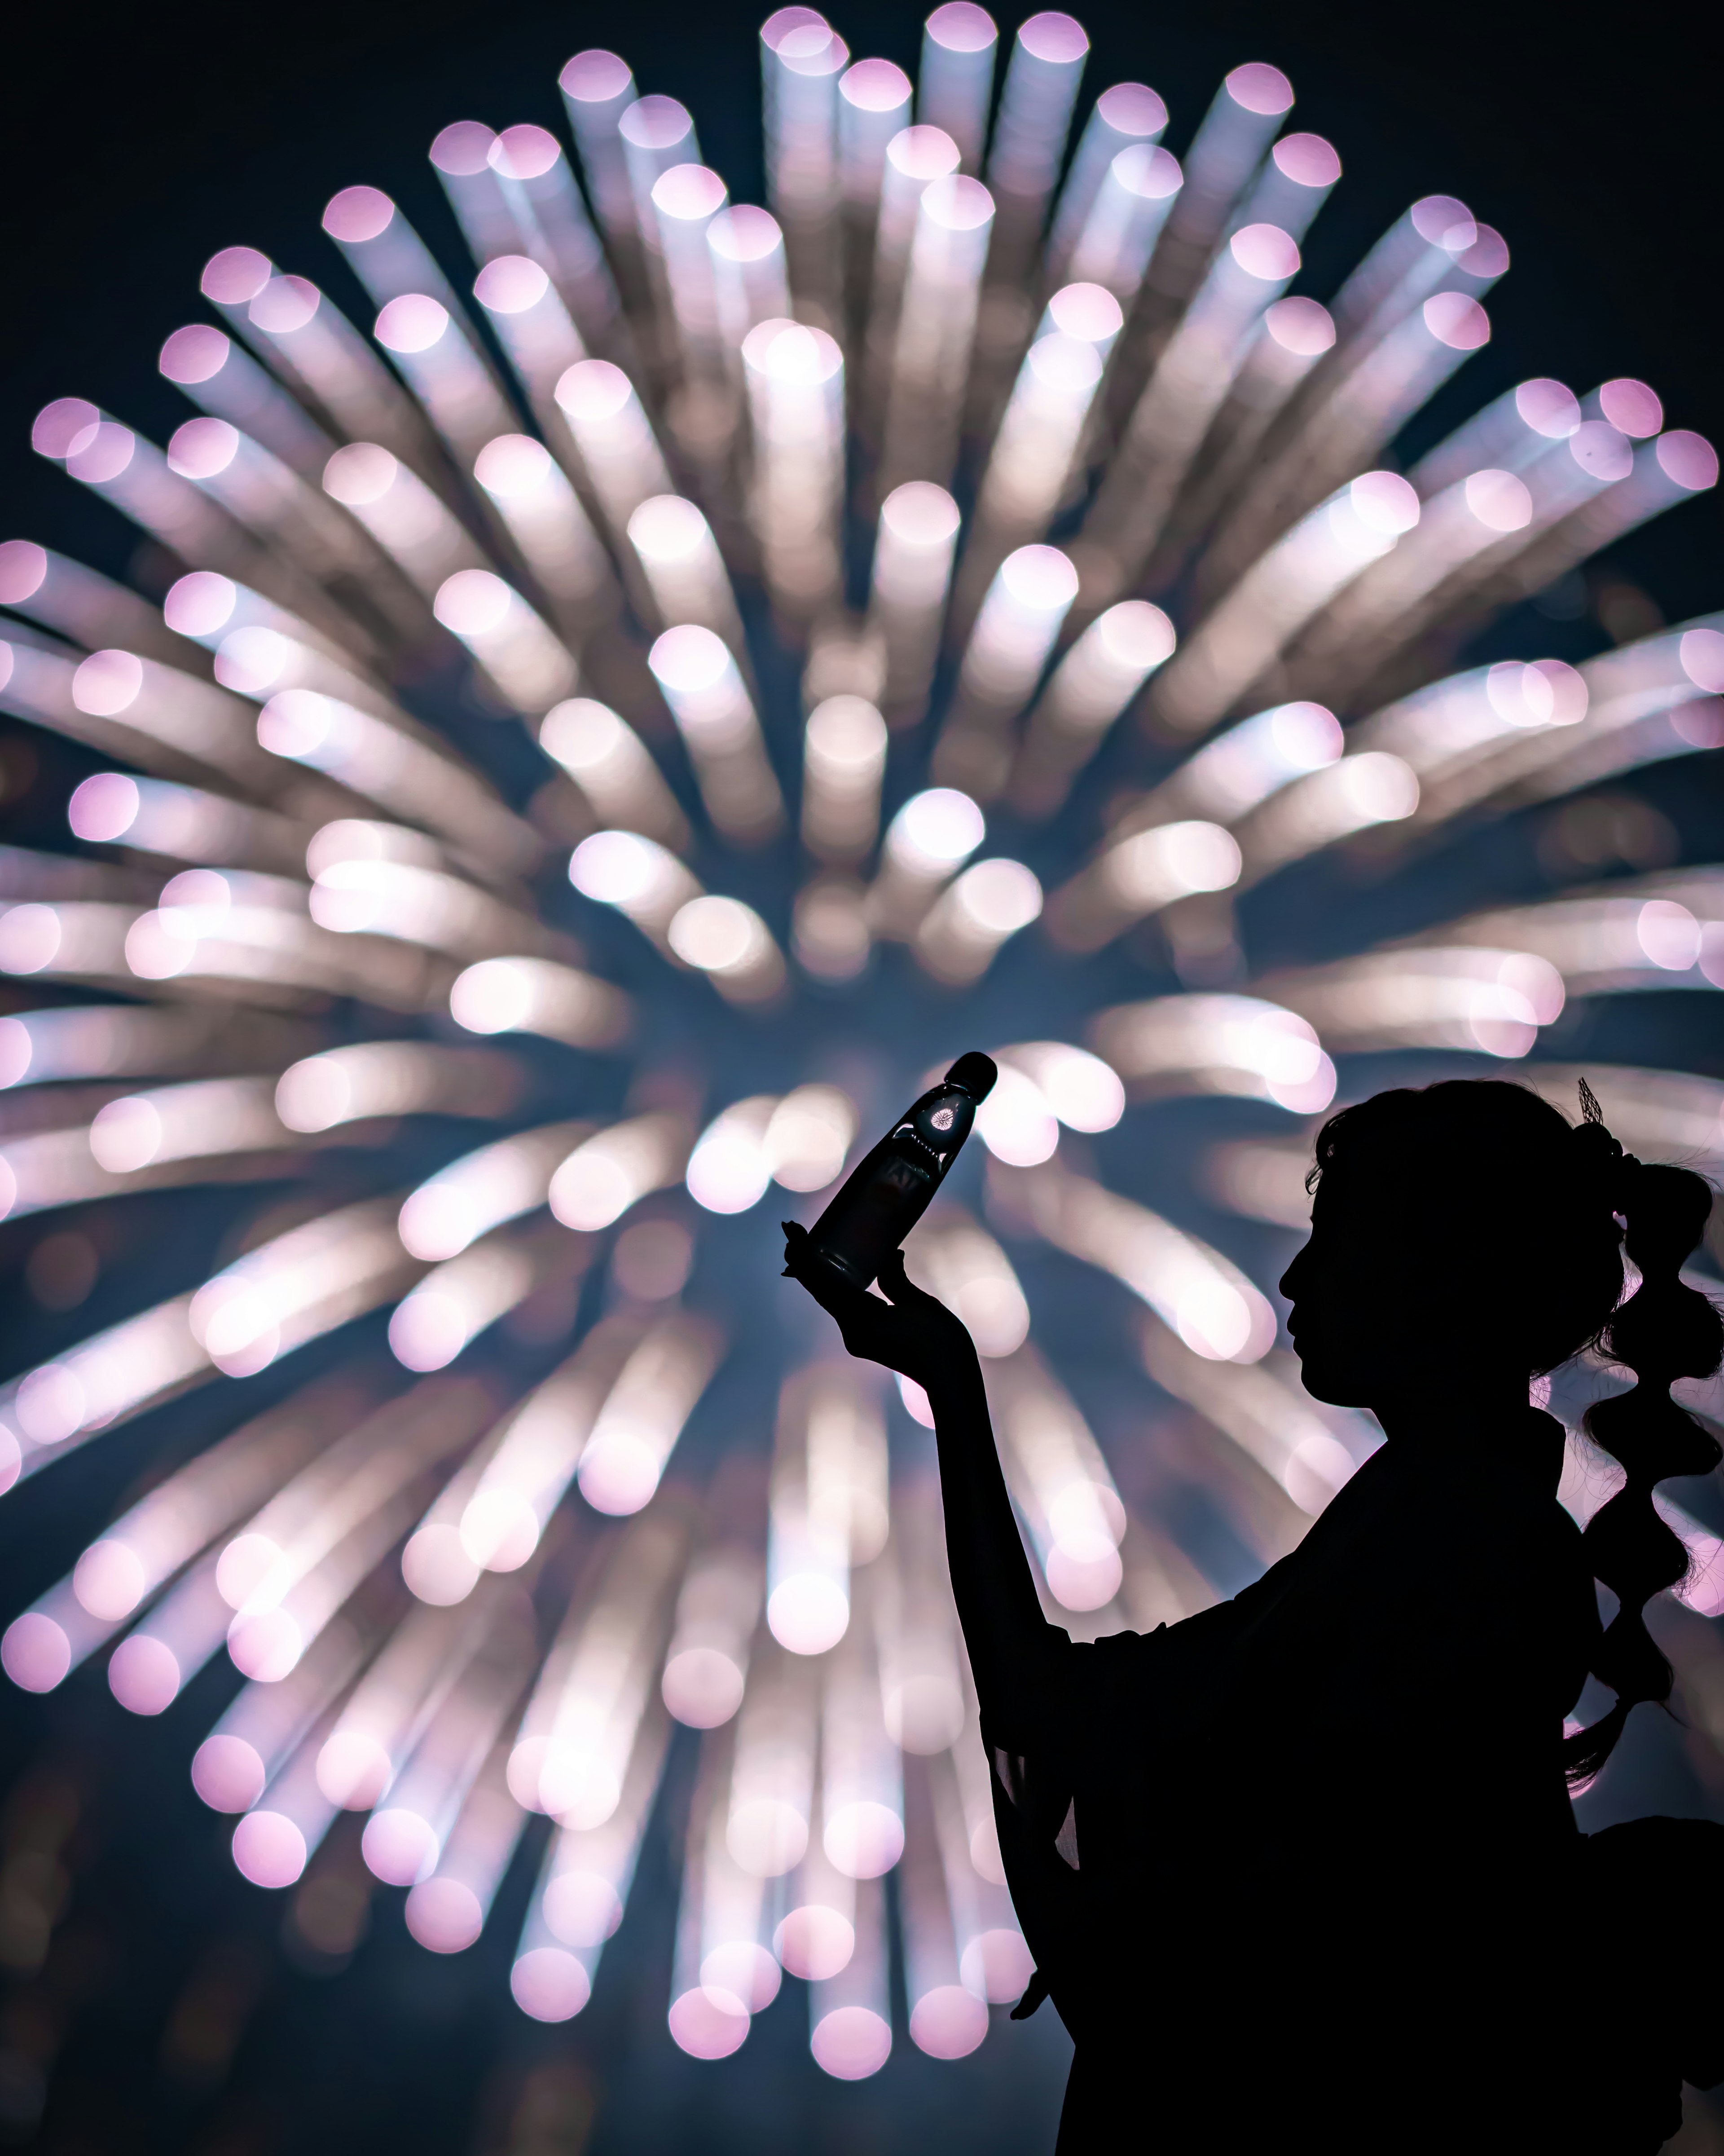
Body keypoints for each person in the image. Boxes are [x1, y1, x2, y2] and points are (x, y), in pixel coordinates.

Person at [784, 1076, 1724, 2152]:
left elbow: (1071, 1722)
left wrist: (954, 1395)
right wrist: (949, 1387)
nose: (1293, 1276)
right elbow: (1075, 1713)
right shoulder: (1439, 1526)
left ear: (1433, 1272)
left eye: (1335, 1238)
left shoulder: (1451, 1542)